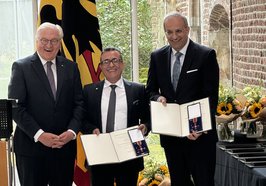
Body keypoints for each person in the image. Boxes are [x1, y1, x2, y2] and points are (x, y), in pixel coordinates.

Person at [146, 12, 219, 186]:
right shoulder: (157, 57)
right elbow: (149, 90)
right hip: (171, 138)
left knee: (204, 182)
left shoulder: (206, 55)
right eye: (169, 32)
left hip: (199, 137)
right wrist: (158, 97)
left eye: (178, 31)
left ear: (187, 30)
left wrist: (199, 128)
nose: (174, 36)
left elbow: (210, 96)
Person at [8, 22, 84, 186]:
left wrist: (71, 132)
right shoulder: (21, 67)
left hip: (63, 149)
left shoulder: (71, 68)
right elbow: (16, 108)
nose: (49, 45)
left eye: (54, 40)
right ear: (36, 41)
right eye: (44, 40)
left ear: (60, 43)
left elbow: (79, 104)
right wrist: (40, 135)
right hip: (31, 149)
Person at [82, 47, 150, 186]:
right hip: (100, 154)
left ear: (122, 64)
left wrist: (146, 126)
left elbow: (147, 117)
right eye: (106, 61)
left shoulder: (137, 90)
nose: (111, 65)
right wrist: (91, 129)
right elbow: (82, 119)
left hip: (129, 155)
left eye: (115, 60)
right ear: (100, 66)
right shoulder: (89, 91)